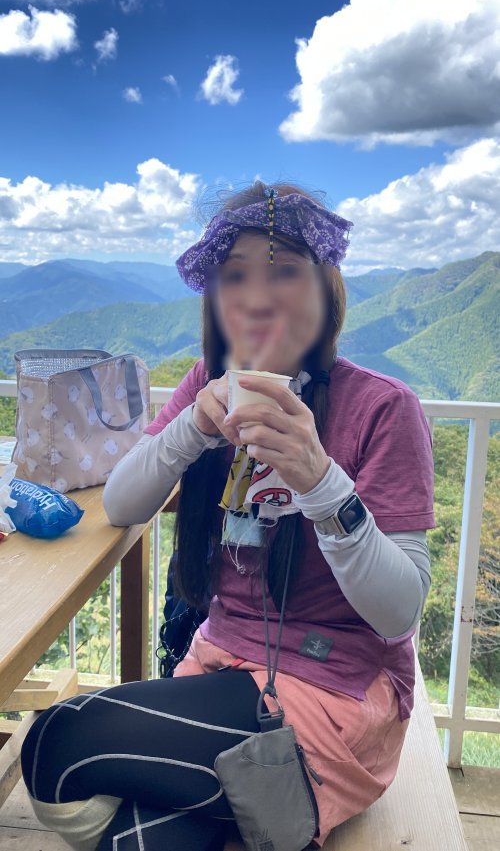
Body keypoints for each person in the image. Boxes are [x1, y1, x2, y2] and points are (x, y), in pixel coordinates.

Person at [20, 182, 435, 851]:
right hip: (218, 665)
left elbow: (399, 611)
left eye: (285, 270)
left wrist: (320, 480)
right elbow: (124, 503)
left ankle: (286, 802)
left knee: (53, 744)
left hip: (333, 693)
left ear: (326, 288)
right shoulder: (206, 386)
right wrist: (194, 425)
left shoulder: (383, 407)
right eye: (236, 275)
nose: (258, 296)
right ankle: (263, 818)